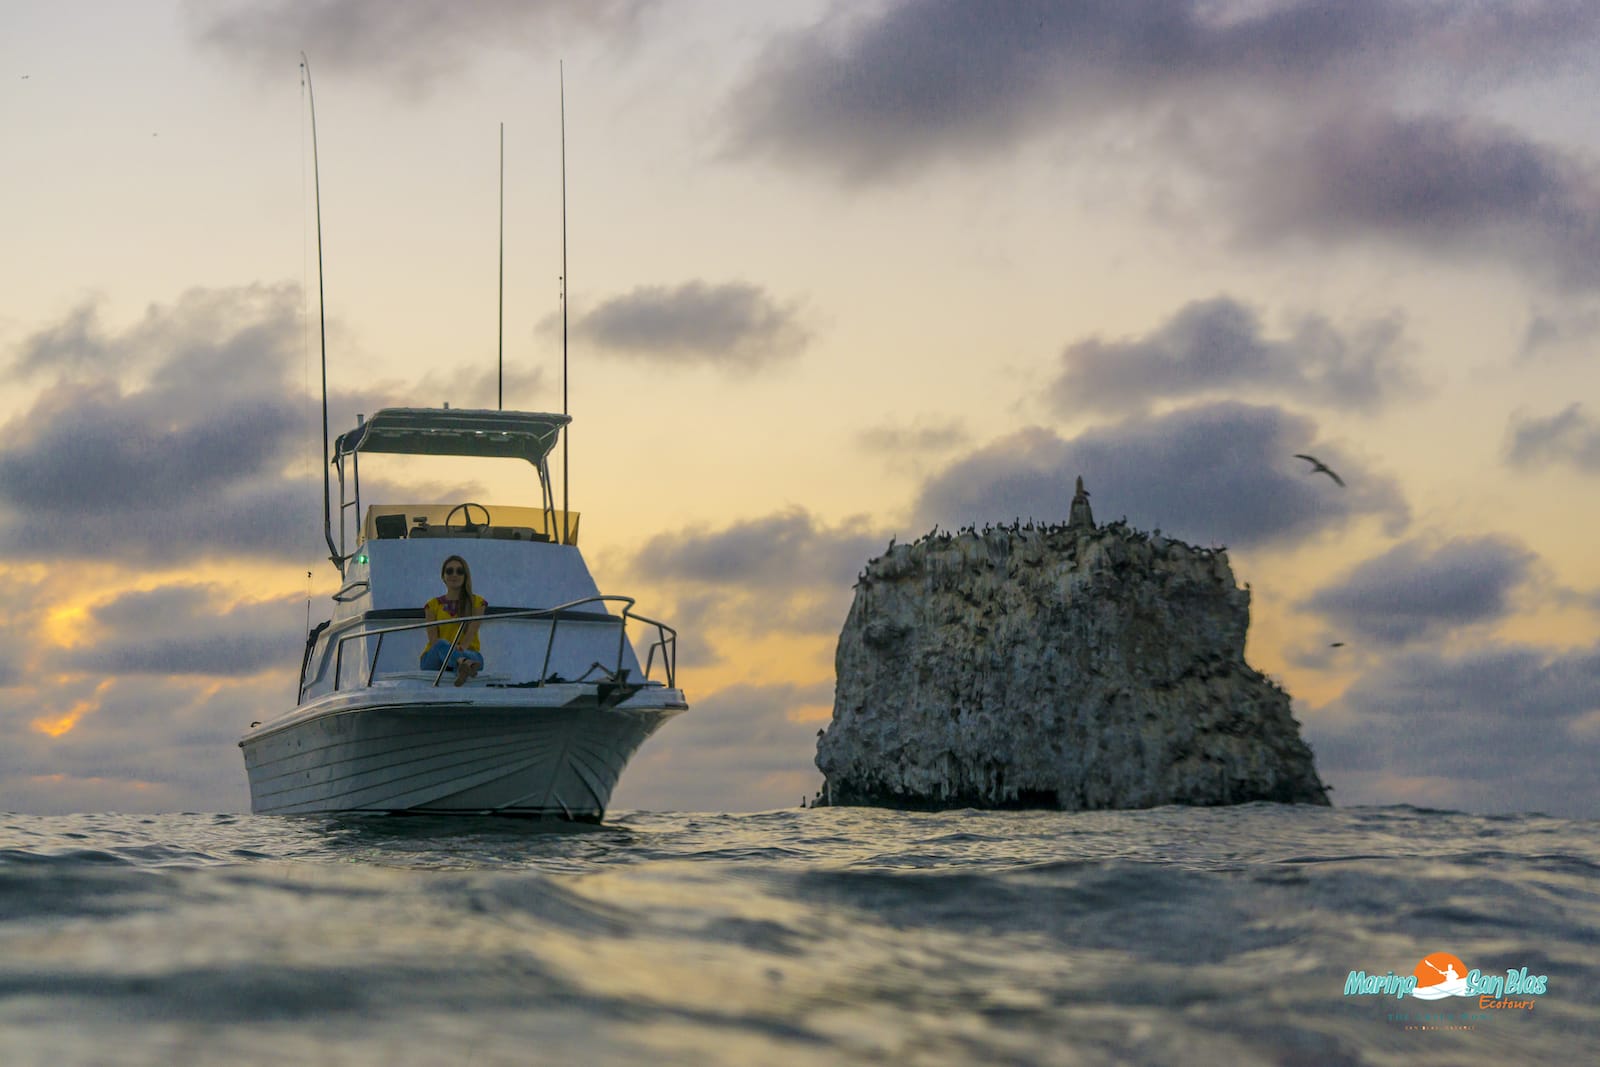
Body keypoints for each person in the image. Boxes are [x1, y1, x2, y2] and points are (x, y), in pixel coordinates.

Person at [421, 555, 487, 686]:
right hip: (434, 659)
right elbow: (433, 640)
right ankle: (463, 664)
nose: (454, 574)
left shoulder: (478, 603)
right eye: (449, 571)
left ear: (465, 575)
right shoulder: (432, 605)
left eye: (459, 571)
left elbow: (471, 633)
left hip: (467, 651)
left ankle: (462, 665)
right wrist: (458, 655)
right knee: (440, 644)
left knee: (478, 658)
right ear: (443, 577)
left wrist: (461, 650)